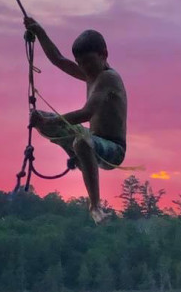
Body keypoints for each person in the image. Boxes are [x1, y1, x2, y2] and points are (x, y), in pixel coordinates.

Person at [24, 17, 128, 224]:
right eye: (81, 64)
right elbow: (59, 60)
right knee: (39, 119)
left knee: (80, 141)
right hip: (93, 139)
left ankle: (95, 206)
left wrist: (53, 122)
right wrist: (39, 31)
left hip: (113, 151)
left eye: (89, 63)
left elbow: (86, 113)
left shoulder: (108, 78)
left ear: (104, 55)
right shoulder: (91, 74)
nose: (85, 68)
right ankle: (78, 154)